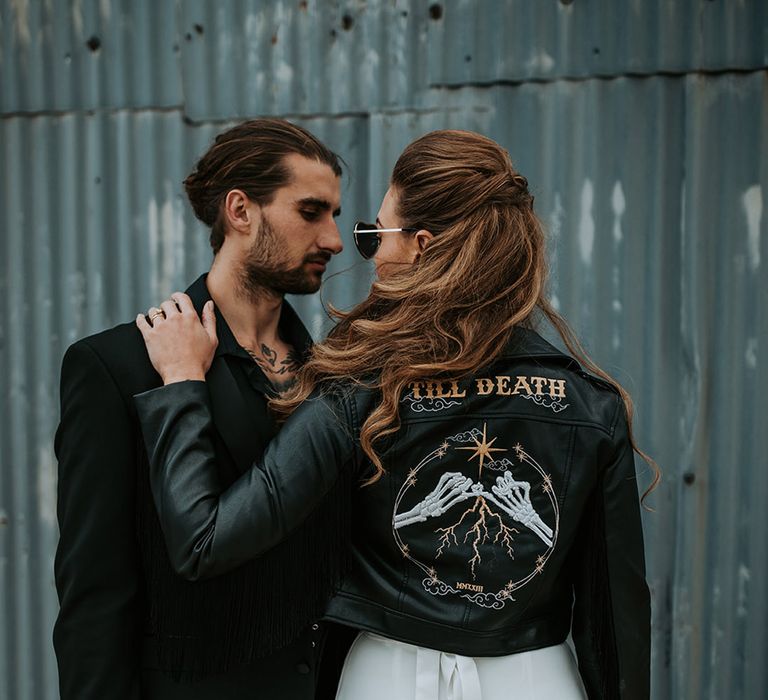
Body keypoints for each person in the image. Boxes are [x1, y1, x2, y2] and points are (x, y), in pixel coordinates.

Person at [134, 130, 656, 699]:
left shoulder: (358, 388)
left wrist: (183, 384)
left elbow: (204, 541)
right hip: (536, 678)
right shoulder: (590, 404)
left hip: (388, 678)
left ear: (421, 246)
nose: (369, 253)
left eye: (373, 235)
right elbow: (615, 630)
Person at [53, 118, 347, 700]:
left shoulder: (333, 372)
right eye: (312, 212)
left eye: (335, 215)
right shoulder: (116, 366)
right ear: (241, 211)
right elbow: (95, 594)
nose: (334, 239)